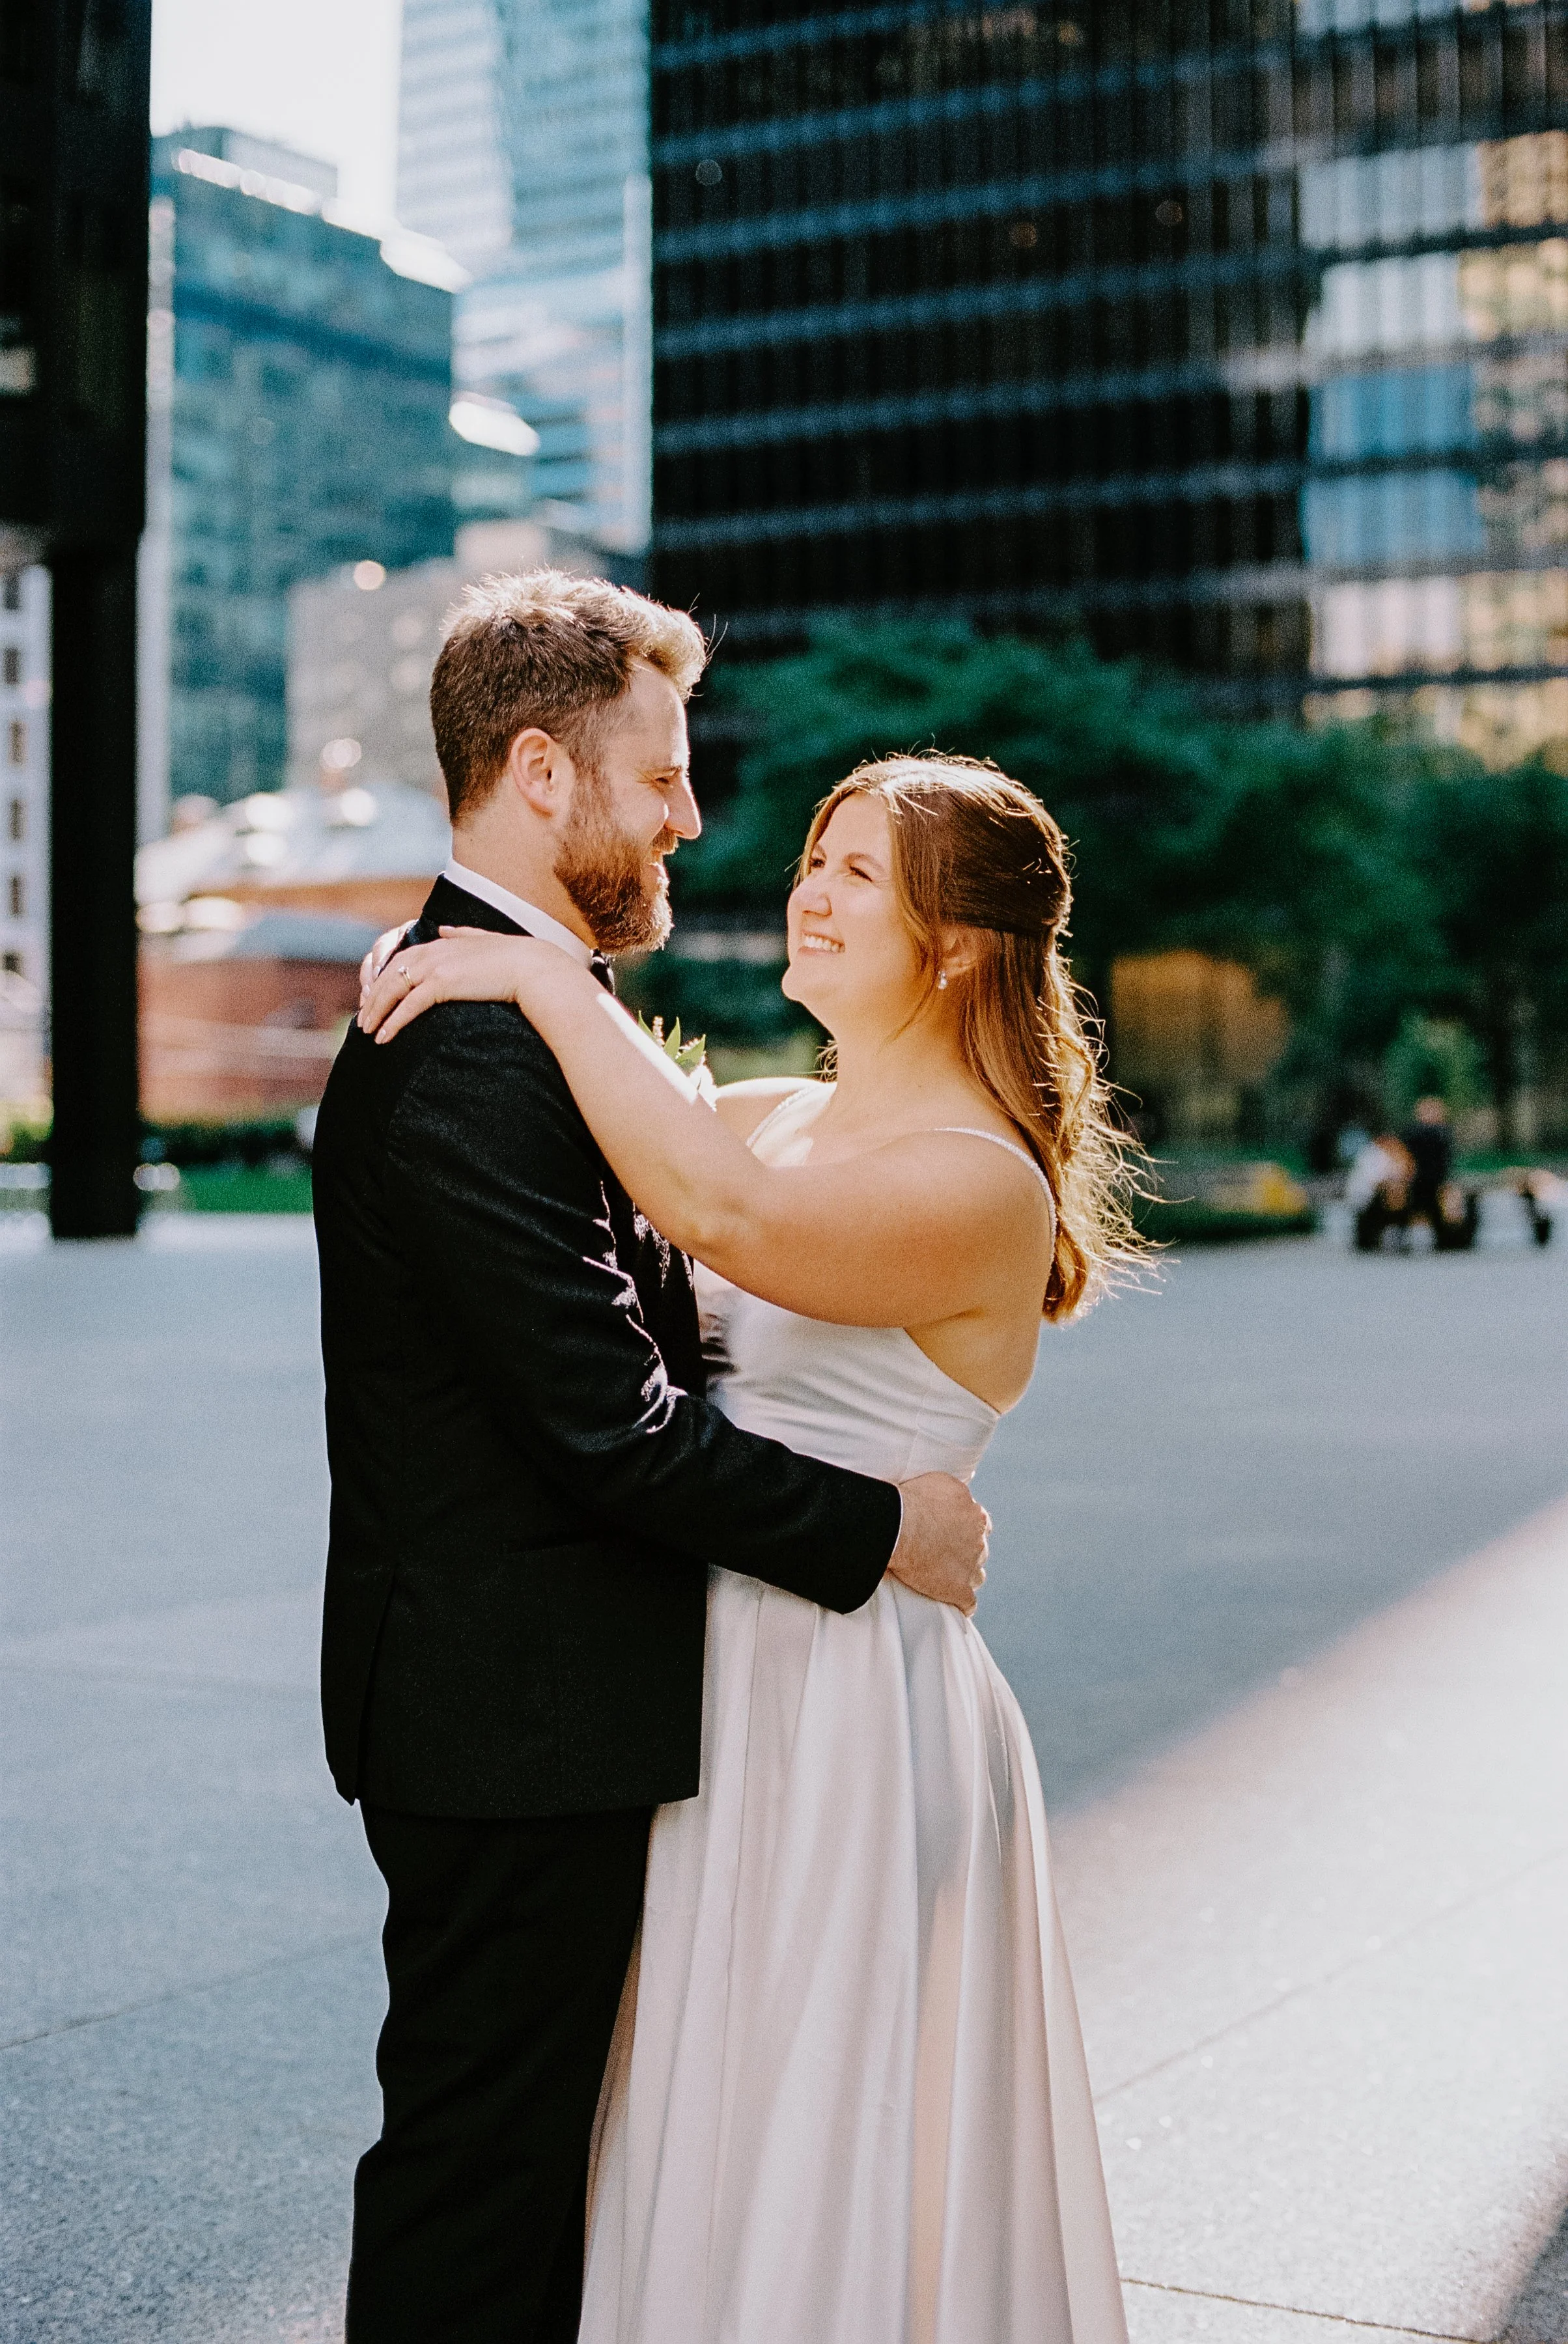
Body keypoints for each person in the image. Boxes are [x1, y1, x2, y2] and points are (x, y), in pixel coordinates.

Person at [360, 749, 1138, 2340]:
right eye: (813, 857)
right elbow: (596, 1187)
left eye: (858, 870)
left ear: (962, 945)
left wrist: (536, 976)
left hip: (848, 1705)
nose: (808, 888)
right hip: (693, 1680)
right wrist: (452, 988)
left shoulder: (982, 1183)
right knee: (686, 2120)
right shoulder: (773, 1112)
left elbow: (729, 1228)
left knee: (812, 2129)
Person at [312, 572, 990, 2343]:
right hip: (507, 1715)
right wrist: (890, 1527)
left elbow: (705, 1222)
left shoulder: (515, 1010)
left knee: (551, 2188)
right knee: (483, 2191)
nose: (693, 816)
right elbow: (610, 1426)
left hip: (547, 1702)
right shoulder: (466, 1042)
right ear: (544, 775)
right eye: (660, 774)